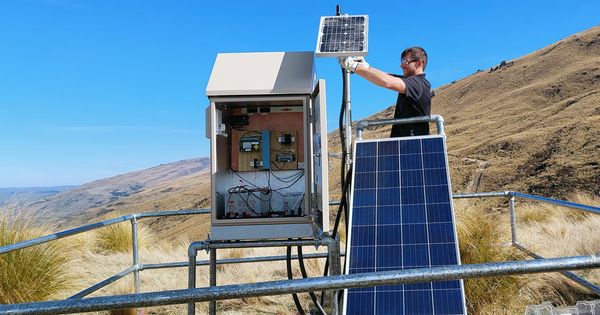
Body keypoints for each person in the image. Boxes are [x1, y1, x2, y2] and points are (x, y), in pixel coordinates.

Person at [338, 47, 432, 137]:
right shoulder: (412, 82)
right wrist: (366, 67)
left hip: (412, 146)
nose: (401, 65)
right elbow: (386, 76)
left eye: (406, 61)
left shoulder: (418, 84)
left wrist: (355, 67)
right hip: (405, 145)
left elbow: (387, 81)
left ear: (419, 63)